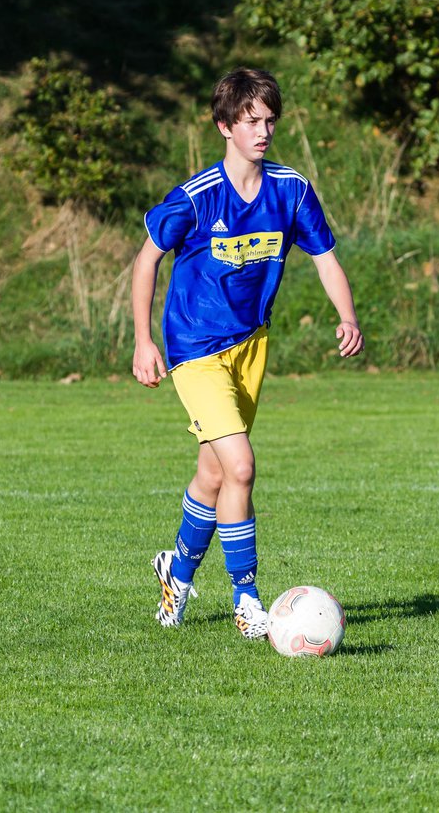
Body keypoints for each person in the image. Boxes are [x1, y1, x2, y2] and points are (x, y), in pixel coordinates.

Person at [131, 67, 363, 638]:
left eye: (270, 121)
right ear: (224, 127)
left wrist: (347, 315)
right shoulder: (196, 197)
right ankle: (248, 599)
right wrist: (143, 340)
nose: (263, 131)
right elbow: (146, 261)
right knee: (241, 465)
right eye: (251, 121)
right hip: (194, 347)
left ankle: (176, 576)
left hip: (250, 347)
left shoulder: (291, 189)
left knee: (214, 474)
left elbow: (325, 257)